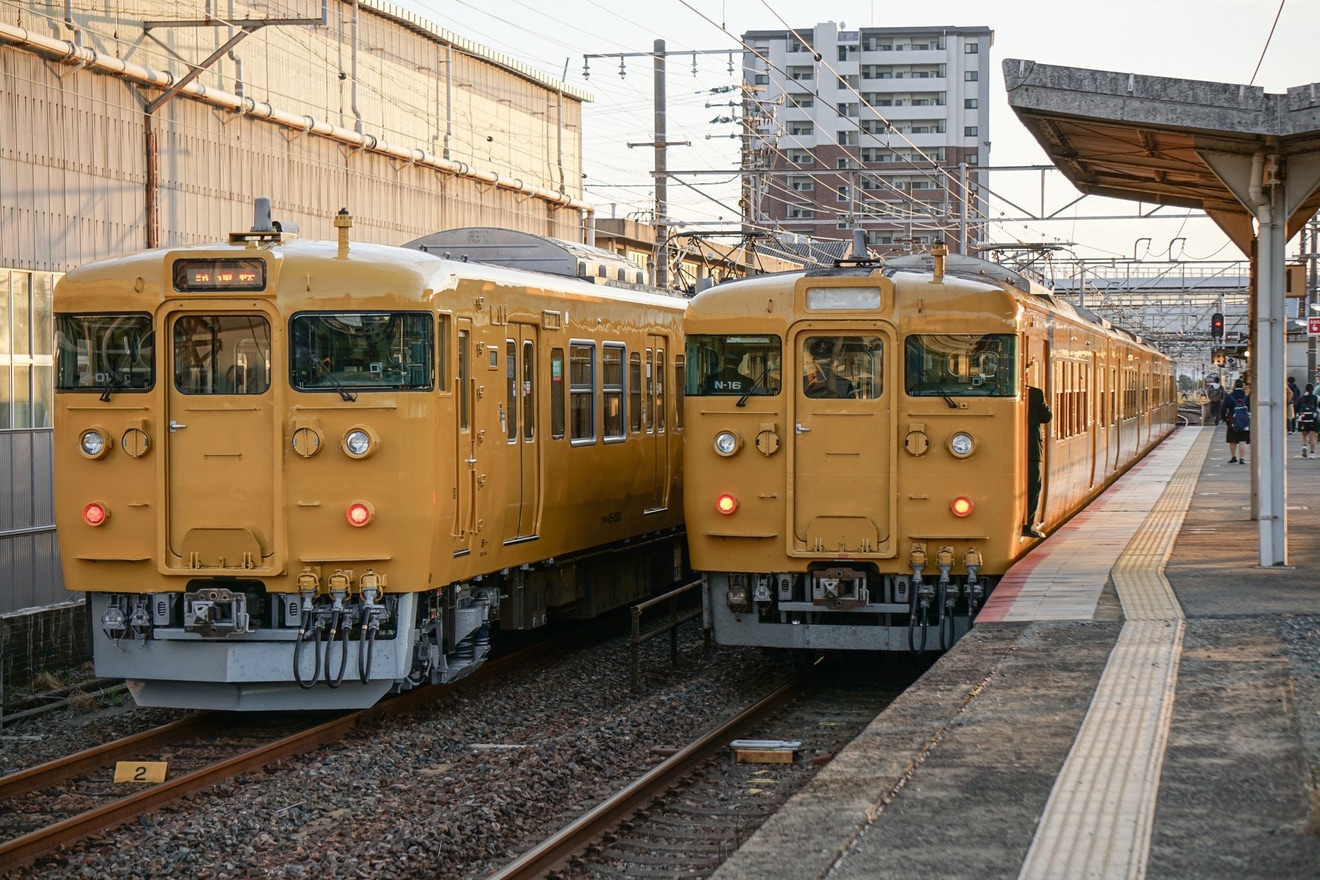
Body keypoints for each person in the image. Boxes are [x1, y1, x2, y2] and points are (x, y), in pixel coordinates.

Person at [1024, 384, 1052, 538]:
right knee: (1033, 486)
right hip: (1031, 450)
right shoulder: (1035, 393)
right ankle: (1027, 526)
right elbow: (1046, 417)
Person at [1220, 378, 1250, 464]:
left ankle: (1233, 457)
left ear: (1234, 386)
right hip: (1244, 422)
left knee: (1232, 440)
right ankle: (1242, 458)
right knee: (1243, 440)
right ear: (1243, 386)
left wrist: (1224, 419)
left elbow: (1223, 409)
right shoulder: (1247, 397)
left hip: (1232, 421)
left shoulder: (1229, 397)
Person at [1298, 383, 1319, 458]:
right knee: (1312, 436)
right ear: (1313, 390)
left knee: (1304, 435)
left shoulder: (1301, 398)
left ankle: (1304, 446)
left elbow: (1297, 408)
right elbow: (1317, 408)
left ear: (1305, 389)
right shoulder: (1316, 397)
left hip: (1303, 419)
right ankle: (1312, 453)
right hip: (1313, 419)